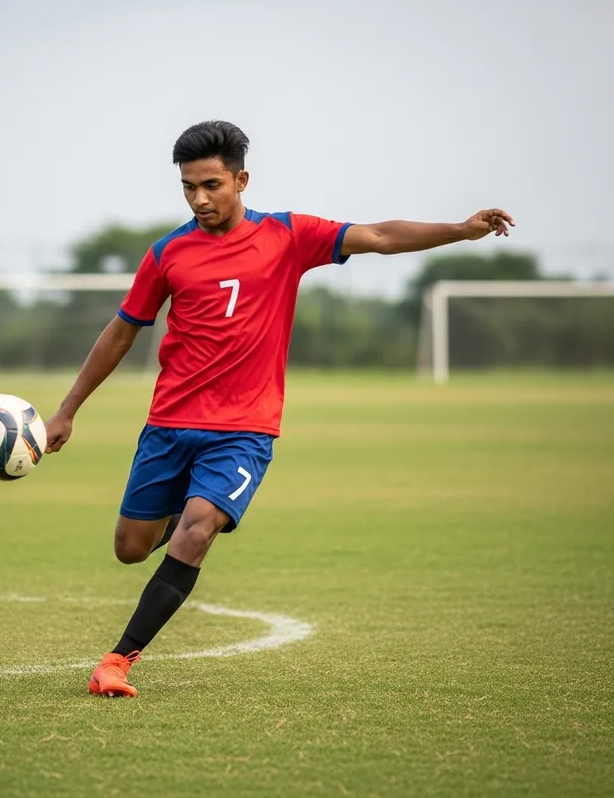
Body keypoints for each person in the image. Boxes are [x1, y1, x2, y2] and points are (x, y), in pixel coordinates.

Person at [44, 120, 514, 698]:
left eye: (211, 185)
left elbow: (380, 236)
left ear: (242, 179)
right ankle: (197, 505)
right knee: (130, 549)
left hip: (244, 429)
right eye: (188, 187)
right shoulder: (167, 253)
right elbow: (122, 332)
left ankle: (117, 660)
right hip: (169, 424)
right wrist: (67, 410)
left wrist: (460, 231)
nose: (199, 198)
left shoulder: (289, 235)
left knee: (195, 532)